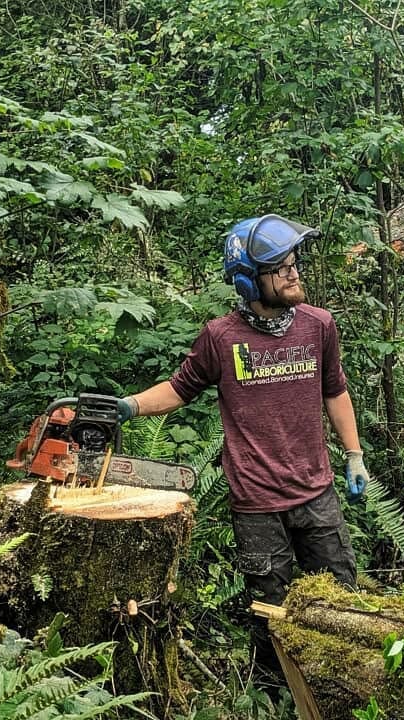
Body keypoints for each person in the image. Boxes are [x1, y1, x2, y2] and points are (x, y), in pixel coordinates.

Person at [115, 213, 370, 607]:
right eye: (279, 268)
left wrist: (354, 456)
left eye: (293, 264)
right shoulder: (220, 337)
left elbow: (335, 391)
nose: (293, 274)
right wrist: (130, 405)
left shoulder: (318, 325)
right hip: (256, 505)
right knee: (269, 610)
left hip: (317, 493)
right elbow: (180, 389)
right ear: (249, 281)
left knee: (343, 603)